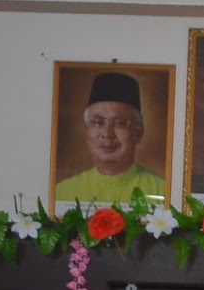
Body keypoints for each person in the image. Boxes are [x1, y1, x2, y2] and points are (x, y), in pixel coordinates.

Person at [52, 71, 166, 205]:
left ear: (138, 132)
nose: (107, 133)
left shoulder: (162, 191)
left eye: (120, 123)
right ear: (86, 130)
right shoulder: (63, 192)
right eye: (97, 122)